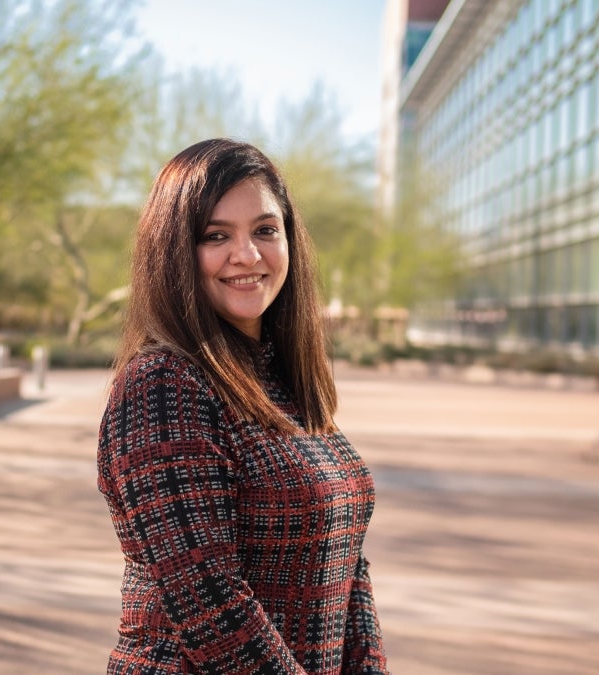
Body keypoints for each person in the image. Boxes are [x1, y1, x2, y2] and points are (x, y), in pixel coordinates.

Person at [96, 138, 389, 674]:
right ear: (174, 252)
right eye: (215, 236)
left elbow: (349, 566)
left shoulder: (280, 378)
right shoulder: (163, 385)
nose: (247, 255)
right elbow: (210, 603)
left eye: (264, 230)